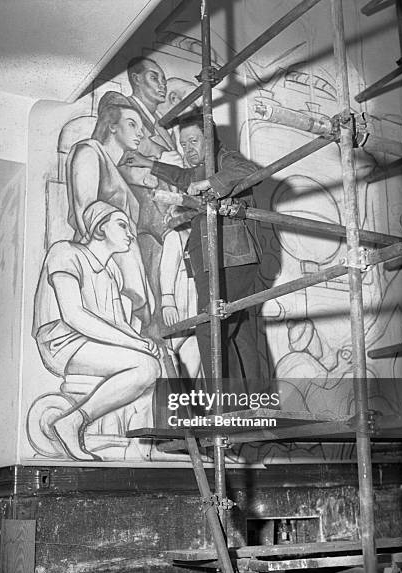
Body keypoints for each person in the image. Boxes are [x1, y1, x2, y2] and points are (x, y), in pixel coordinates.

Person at [122, 113, 262, 390]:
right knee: (237, 334)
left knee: (209, 329)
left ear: (210, 140)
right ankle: (250, 404)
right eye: (183, 144)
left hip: (231, 260)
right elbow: (184, 175)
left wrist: (208, 184)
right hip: (213, 263)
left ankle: (220, 406)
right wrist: (148, 163)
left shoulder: (225, 159)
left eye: (193, 141)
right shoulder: (201, 170)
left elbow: (249, 171)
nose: (188, 149)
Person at [32, 203, 161, 460]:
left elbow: (119, 324)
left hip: (90, 342)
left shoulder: (111, 272)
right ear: (100, 227)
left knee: (155, 361)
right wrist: (132, 345)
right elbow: (73, 315)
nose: (131, 234)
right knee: (146, 368)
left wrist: (141, 341)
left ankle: (152, 444)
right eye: (122, 225)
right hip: (61, 343)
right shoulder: (64, 252)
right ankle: (72, 422)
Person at [65, 91, 154, 328]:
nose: (140, 132)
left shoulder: (116, 169)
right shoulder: (89, 151)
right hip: (107, 266)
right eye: (132, 124)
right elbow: (87, 212)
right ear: (112, 126)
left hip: (125, 263)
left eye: (141, 126)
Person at [160, 226, 202, 380]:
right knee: (187, 346)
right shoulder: (175, 235)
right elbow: (167, 269)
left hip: (199, 296)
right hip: (183, 298)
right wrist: (168, 300)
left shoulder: (202, 230)